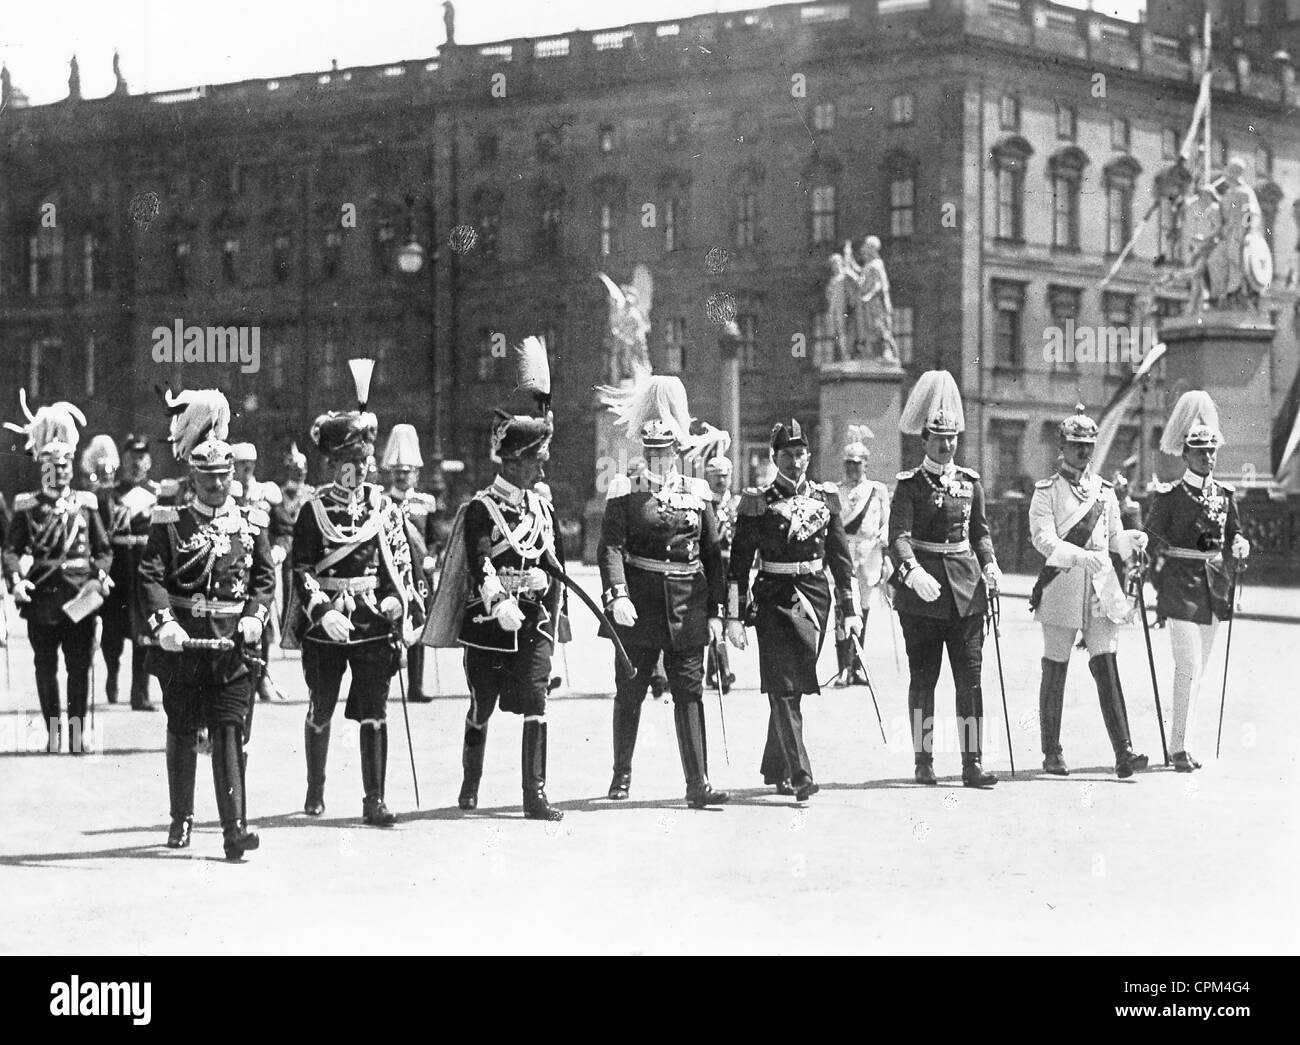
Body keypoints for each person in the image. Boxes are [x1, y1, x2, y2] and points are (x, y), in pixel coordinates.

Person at [423, 337, 567, 820]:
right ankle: (470, 785)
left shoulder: (541, 507)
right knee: (482, 705)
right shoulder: (484, 508)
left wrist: (549, 593)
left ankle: (535, 795)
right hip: (490, 625)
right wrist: (496, 599)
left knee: (537, 702)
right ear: (516, 461)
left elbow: (554, 562)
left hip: (533, 623)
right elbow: (479, 557)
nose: (543, 466)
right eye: (537, 460)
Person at [138, 391, 275, 858]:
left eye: (223, 477)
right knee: (181, 729)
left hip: (232, 647)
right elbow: (151, 575)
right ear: (193, 478)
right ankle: (181, 820)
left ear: (232, 476)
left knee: (228, 731)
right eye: (207, 479)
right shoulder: (171, 521)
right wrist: (163, 625)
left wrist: (256, 616)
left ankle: (234, 829)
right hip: (184, 645)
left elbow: (263, 577)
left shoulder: (252, 523)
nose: (216, 486)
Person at [287, 360, 423, 825]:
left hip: (370, 620)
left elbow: (398, 564)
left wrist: (395, 601)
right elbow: (301, 569)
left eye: (364, 462)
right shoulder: (313, 510)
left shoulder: (383, 507)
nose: (359, 471)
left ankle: (374, 799)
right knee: (321, 706)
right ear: (333, 464)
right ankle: (315, 787)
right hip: (327, 622)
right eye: (351, 463)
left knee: (374, 710)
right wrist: (320, 609)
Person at [596, 372, 730, 807]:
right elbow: (611, 547)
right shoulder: (624, 490)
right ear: (644, 451)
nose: (658, 459)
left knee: (690, 692)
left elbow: (712, 554)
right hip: (639, 607)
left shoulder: (697, 491)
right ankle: (621, 776)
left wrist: (717, 611)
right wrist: (617, 594)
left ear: (677, 451)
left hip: (687, 606)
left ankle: (698, 783)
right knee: (630, 691)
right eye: (651, 452)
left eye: (665, 452)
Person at [726, 418, 859, 801]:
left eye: (801, 454)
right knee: (783, 687)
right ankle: (800, 773)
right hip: (773, 598)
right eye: (787, 455)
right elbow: (739, 564)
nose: (795, 462)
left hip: (814, 599)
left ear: (809, 456)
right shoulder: (757, 502)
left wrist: (849, 609)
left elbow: (841, 558)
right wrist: (734, 615)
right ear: (774, 458)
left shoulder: (826, 498)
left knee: (793, 686)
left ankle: (775, 765)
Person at [889, 371, 1001, 788]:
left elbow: (981, 532)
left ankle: (972, 762)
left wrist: (989, 562)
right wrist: (911, 571)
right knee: (924, 679)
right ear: (925, 442)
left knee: (970, 679)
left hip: (967, 592)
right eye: (939, 439)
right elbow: (897, 536)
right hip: (922, 596)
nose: (947, 445)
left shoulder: (971, 484)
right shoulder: (910, 485)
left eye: (952, 438)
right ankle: (924, 759)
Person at [1028, 406, 1150, 778]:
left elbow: (1114, 538)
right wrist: (1080, 556)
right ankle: (1051, 752)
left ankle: (1124, 752)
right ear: (1061, 447)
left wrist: (1133, 539)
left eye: (1088, 446)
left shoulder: (1104, 492)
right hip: (1062, 583)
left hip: (1101, 588)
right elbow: (1042, 538)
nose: (1083, 452)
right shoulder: (1046, 492)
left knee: (1107, 663)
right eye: (1076, 445)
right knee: (1056, 666)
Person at [1144, 391, 1249, 772]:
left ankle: (1183, 743)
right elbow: (1152, 536)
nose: (1208, 458)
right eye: (1200, 453)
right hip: (1179, 586)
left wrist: (1240, 545)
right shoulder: (1170, 496)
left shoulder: (1225, 495)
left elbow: (1235, 533)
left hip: (1214, 586)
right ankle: (1178, 748)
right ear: (1186, 455)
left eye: (1211, 453)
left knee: (1199, 670)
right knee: (1187, 664)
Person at [3, 394, 111, 754]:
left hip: (80, 597)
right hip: (44, 600)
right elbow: (12, 550)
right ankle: (53, 735)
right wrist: (16, 580)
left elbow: (103, 549)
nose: (59, 471)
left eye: (65, 465)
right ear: (42, 467)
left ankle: (78, 736)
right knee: (46, 669)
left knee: (80, 669)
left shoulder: (86, 504)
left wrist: (100, 575)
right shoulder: (27, 507)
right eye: (52, 465)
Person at [96, 434, 160, 711]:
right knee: (112, 634)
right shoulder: (110, 496)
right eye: (132, 457)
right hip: (119, 570)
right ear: (123, 461)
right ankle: (112, 674)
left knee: (144, 634)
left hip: (145, 569)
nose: (137, 462)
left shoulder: (158, 495)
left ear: (149, 461)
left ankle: (140, 694)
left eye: (142, 457)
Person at [382, 423, 440, 703]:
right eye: (398, 472)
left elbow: (437, 538)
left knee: (418, 625)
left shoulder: (426, 502)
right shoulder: (382, 502)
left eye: (407, 472)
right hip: (394, 573)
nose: (403, 476)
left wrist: (432, 557)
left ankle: (415, 686)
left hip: (421, 575)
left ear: (416, 473)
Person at [231, 442, 287, 704]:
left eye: (250, 465)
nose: (246, 469)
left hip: (262, 566)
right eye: (241, 465)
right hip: (233, 570)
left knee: (261, 624)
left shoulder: (266, 493)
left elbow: (285, 530)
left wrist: (278, 551)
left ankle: (261, 677)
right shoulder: (226, 492)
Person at [835, 433, 889, 686]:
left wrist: (884, 543)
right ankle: (842, 667)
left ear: (866, 464)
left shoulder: (877, 491)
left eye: (858, 463)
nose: (853, 468)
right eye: (849, 463)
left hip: (869, 553)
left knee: (863, 609)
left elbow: (886, 524)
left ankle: (858, 665)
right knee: (843, 607)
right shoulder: (836, 491)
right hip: (843, 551)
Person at [704, 455, 738, 694]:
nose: (721, 481)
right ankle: (723, 670)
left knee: (728, 617)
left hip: (733, 569)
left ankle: (712, 670)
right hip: (711, 568)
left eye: (725, 476)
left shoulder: (739, 503)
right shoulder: (703, 503)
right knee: (716, 616)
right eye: (716, 476)